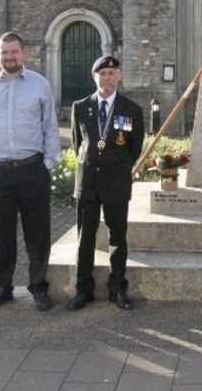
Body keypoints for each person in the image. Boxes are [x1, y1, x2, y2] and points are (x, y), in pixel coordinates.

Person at [0, 31, 61, 311]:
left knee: (37, 234)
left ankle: (38, 287)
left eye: (13, 52)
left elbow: (50, 125)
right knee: (3, 234)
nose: (9, 57)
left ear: (23, 53)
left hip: (32, 170)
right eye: (4, 53)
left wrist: (48, 163)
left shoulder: (39, 84)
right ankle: (3, 288)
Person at [67, 55, 144, 311]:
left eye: (112, 73)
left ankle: (118, 289)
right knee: (84, 239)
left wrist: (115, 167)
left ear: (119, 76)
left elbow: (134, 150)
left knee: (117, 239)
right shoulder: (80, 107)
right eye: (102, 73)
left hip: (116, 183)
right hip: (88, 183)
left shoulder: (132, 109)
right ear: (94, 76)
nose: (107, 78)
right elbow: (78, 145)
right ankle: (83, 290)